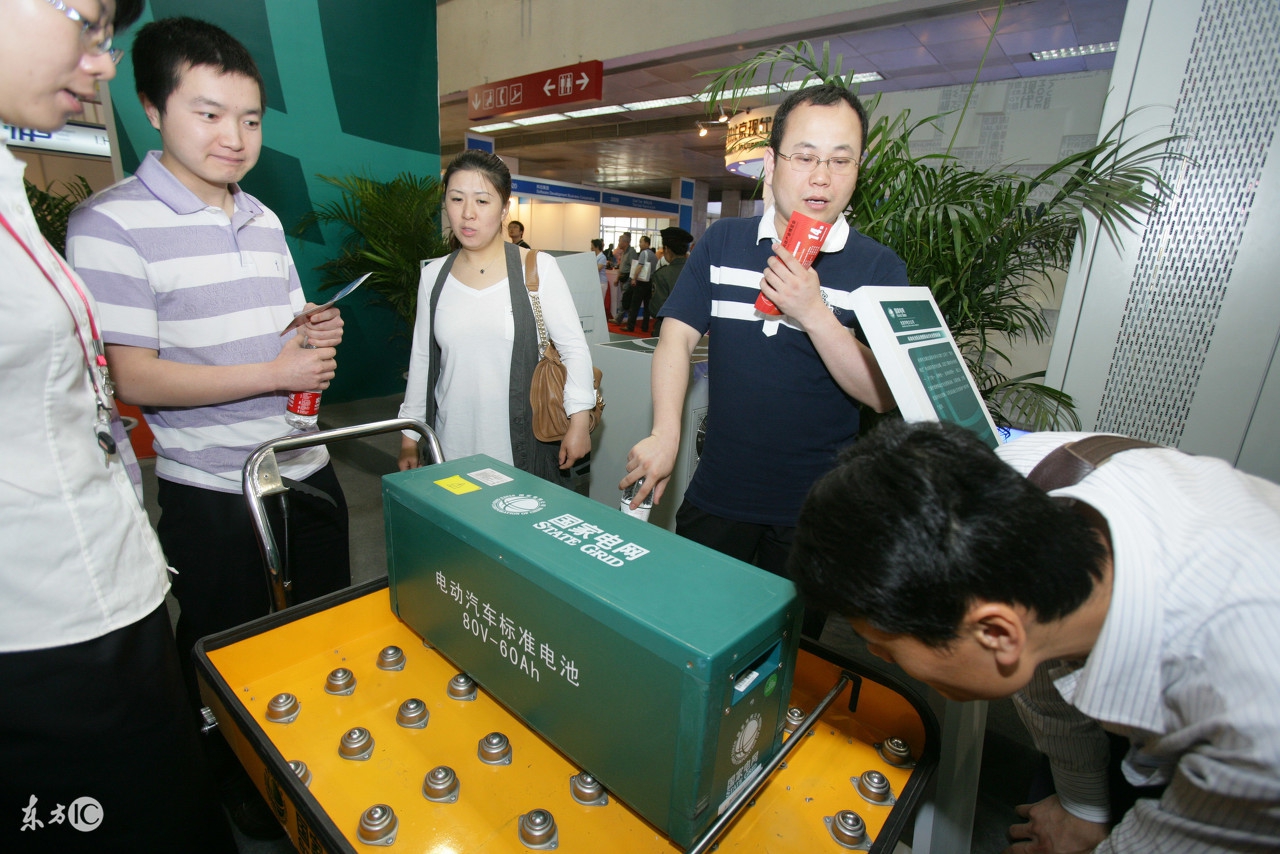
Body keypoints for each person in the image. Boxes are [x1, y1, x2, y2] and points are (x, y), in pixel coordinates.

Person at [65, 16, 350, 838]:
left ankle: (318, 772)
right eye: (210, 113)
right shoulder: (110, 225)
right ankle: (243, 797)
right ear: (152, 107)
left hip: (303, 469)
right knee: (232, 658)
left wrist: (307, 331)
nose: (234, 137)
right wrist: (276, 371)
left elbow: (274, 335)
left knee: (325, 635)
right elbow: (132, 376)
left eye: (251, 119)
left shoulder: (261, 218)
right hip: (213, 492)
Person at [789, 420, 1280, 853]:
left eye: (885, 647)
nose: (880, 660)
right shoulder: (1014, 481)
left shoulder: (1251, 722)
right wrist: (1084, 808)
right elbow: (1040, 670)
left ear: (996, 633)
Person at [0, 1, 235, 850]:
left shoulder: (10, 183)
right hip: (42, 631)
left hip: (109, 585)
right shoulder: (111, 219)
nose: (99, 61)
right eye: (88, 21)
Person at [621, 83, 906, 638]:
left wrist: (814, 311)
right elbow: (676, 337)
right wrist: (664, 432)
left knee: (786, 658)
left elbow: (881, 393)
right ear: (773, 164)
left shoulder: (879, 267)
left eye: (840, 160)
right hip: (718, 493)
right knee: (693, 633)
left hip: (817, 513)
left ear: (857, 168)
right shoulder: (723, 243)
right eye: (805, 157)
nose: (821, 177)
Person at [398, 150, 595, 483]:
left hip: (519, 447)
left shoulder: (536, 268)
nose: (467, 214)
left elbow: (574, 349)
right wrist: (409, 436)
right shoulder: (434, 276)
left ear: (505, 208)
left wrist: (578, 421)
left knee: (517, 529)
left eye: (482, 201)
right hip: (451, 443)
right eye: (457, 199)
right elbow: (422, 360)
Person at [649, 226, 692, 338]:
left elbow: (656, 309)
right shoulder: (697, 273)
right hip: (692, 332)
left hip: (666, 332)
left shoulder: (662, 275)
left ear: (667, 249)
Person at [624, 234, 657, 332]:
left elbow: (640, 266)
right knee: (647, 306)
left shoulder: (644, 253)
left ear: (647, 243)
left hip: (641, 282)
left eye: (641, 242)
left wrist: (634, 278)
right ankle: (645, 326)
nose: (639, 244)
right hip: (650, 282)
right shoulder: (653, 255)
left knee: (635, 305)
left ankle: (630, 326)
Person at [613, 231, 636, 325]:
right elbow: (621, 266)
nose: (618, 243)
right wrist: (617, 278)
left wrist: (632, 279)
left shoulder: (631, 252)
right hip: (623, 278)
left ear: (625, 242)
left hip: (628, 280)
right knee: (625, 300)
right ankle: (624, 319)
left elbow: (634, 266)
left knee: (625, 299)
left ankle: (620, 319)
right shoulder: (624, 252)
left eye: (619, 241)